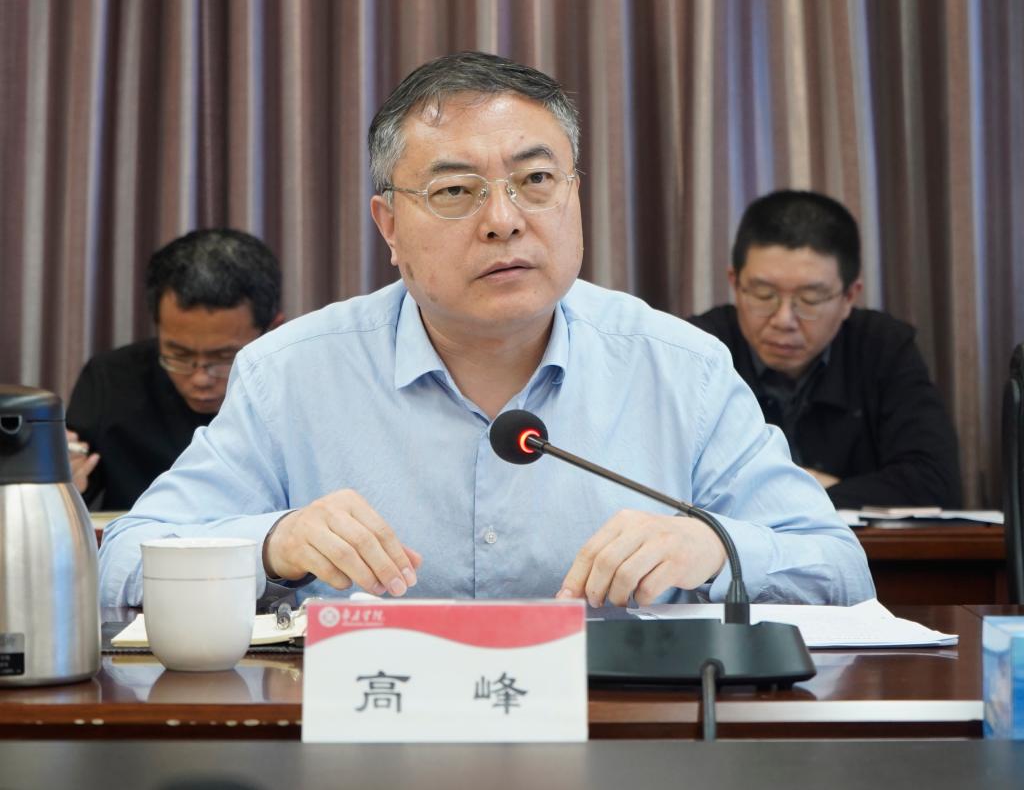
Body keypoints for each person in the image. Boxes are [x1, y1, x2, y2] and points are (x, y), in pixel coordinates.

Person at [99, 52, 873, 609]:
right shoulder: (291, 374)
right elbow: (123, 563)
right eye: (455, 190)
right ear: (389, 224)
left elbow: (840, 568)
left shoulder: (681, 369)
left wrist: (715, 547)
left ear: (573, 197)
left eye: (535, 181)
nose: (504, 220)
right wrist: (275, 542)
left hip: (618, 745)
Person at [689, 190, 962, 510]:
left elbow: (935, 483)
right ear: (735, 284)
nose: (784, 320)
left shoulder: (881, 347)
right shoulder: (696, 349)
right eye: (763, 294)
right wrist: (818, 488)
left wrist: (779, 494)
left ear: (849, 297)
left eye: (810, 299)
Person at [66, 228, 283, 509]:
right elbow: (76, 484)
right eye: (179, 354)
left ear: (273, 330)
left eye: (224, 357)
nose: (200, 378)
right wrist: (62, 483)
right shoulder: (111, 379)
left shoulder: (299, 386)